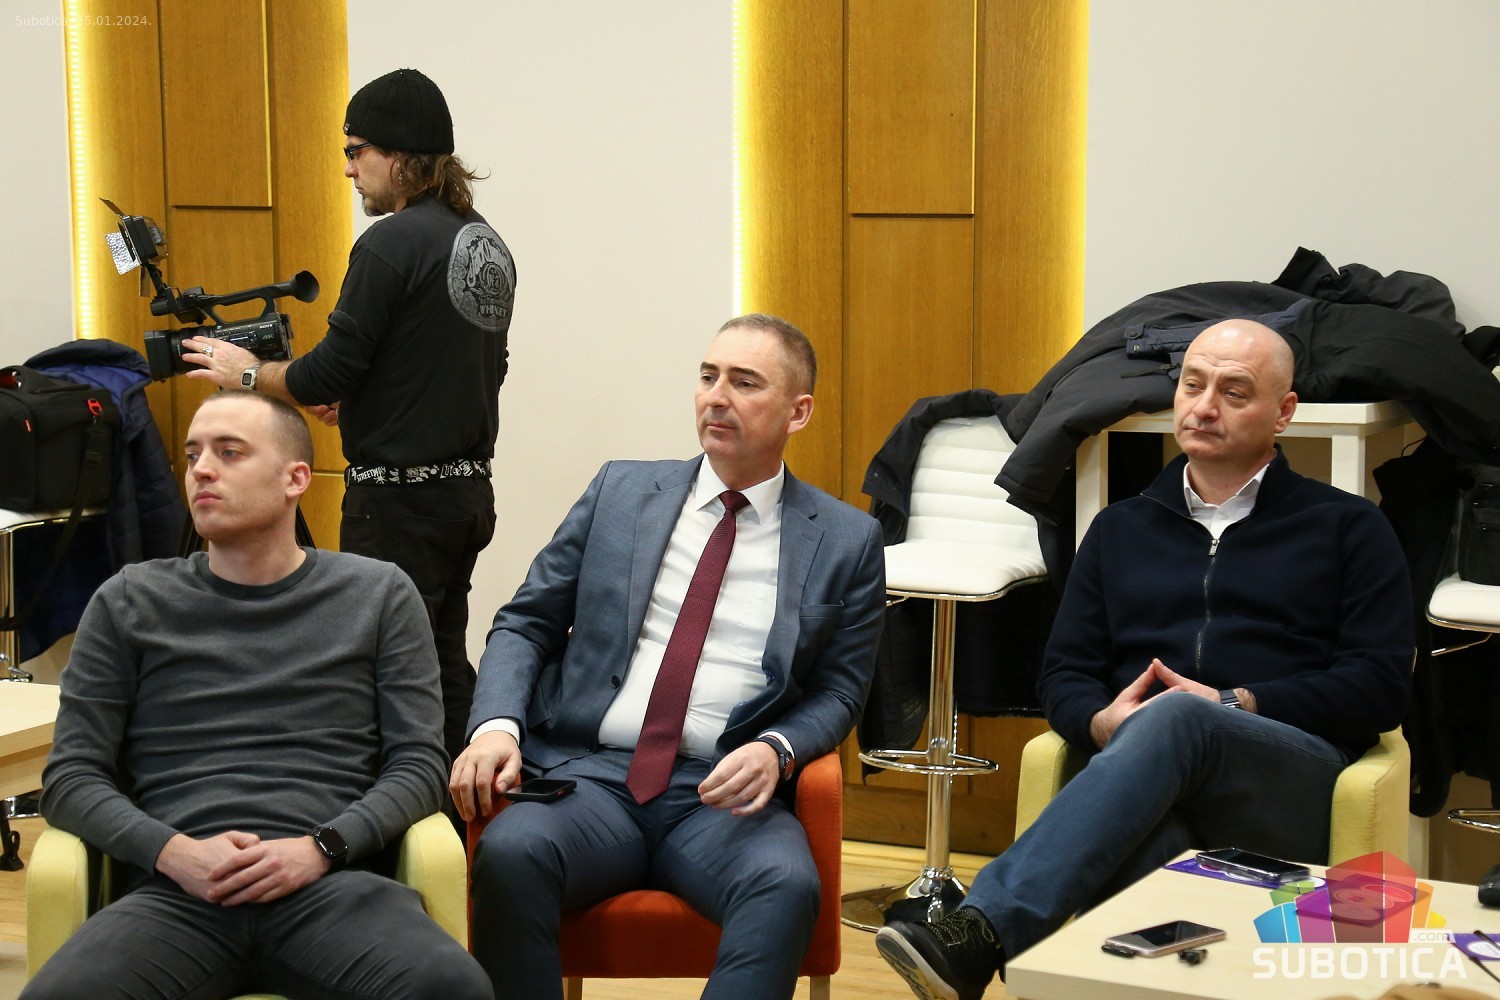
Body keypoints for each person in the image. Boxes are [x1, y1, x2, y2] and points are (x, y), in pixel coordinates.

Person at [876, 320, 1414, 1000]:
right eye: (1193, 385)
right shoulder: (1120, 528)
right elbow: (1063, 676)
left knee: (1180, 717)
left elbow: (1380, 686)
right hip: (1145, 786)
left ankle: (982, 931)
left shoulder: (1348, 527)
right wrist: (1102, 723)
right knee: (1149, 840)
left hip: (1288, 784)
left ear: (1283, 412)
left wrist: (1238, 703)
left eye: (1234, 392)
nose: (1205, 406)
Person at [450, 314, 886, 999]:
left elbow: (840, 691)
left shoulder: (845, 539)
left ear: (798, 412)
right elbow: (526, 621)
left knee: (785, 884)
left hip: (722, 794)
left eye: (745, 383)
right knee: (511, 852)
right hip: (591, 779)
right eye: (709, 376)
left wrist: (776, 749)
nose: (717, 397)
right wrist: (496, 725)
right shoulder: (620, 492)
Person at [22, 391, 492, 1000]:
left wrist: (320, 849)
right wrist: (173, 853)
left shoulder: (377, 595)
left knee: (452, 987)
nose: (201, 470)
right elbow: (71, 777)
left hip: (331, 885)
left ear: (295, 478)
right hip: (178, 894)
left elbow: (420, 766)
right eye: (193, 454)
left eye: (230, 452)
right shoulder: (130, 600)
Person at [183, 67, 517, 770]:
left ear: (399, 154)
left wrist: (244, 372)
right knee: (440, 666)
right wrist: (368, 399)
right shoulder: (483, 242)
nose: (347, 169)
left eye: (355, 150)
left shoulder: (389, 243)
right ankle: (470, 815)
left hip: (396, 506)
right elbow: (476, 367)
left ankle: (400, 819)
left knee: (384, 678)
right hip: (463, 499)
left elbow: (325, 372)